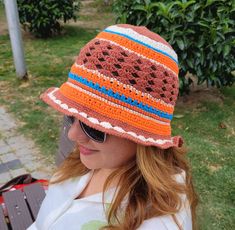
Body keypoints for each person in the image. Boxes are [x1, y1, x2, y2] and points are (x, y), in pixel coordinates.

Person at [28, 24, 198, 230]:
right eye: (71, 116)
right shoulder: (87, 162)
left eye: (95, 127)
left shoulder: (156, 222)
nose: (73, 135)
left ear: (142, 136)